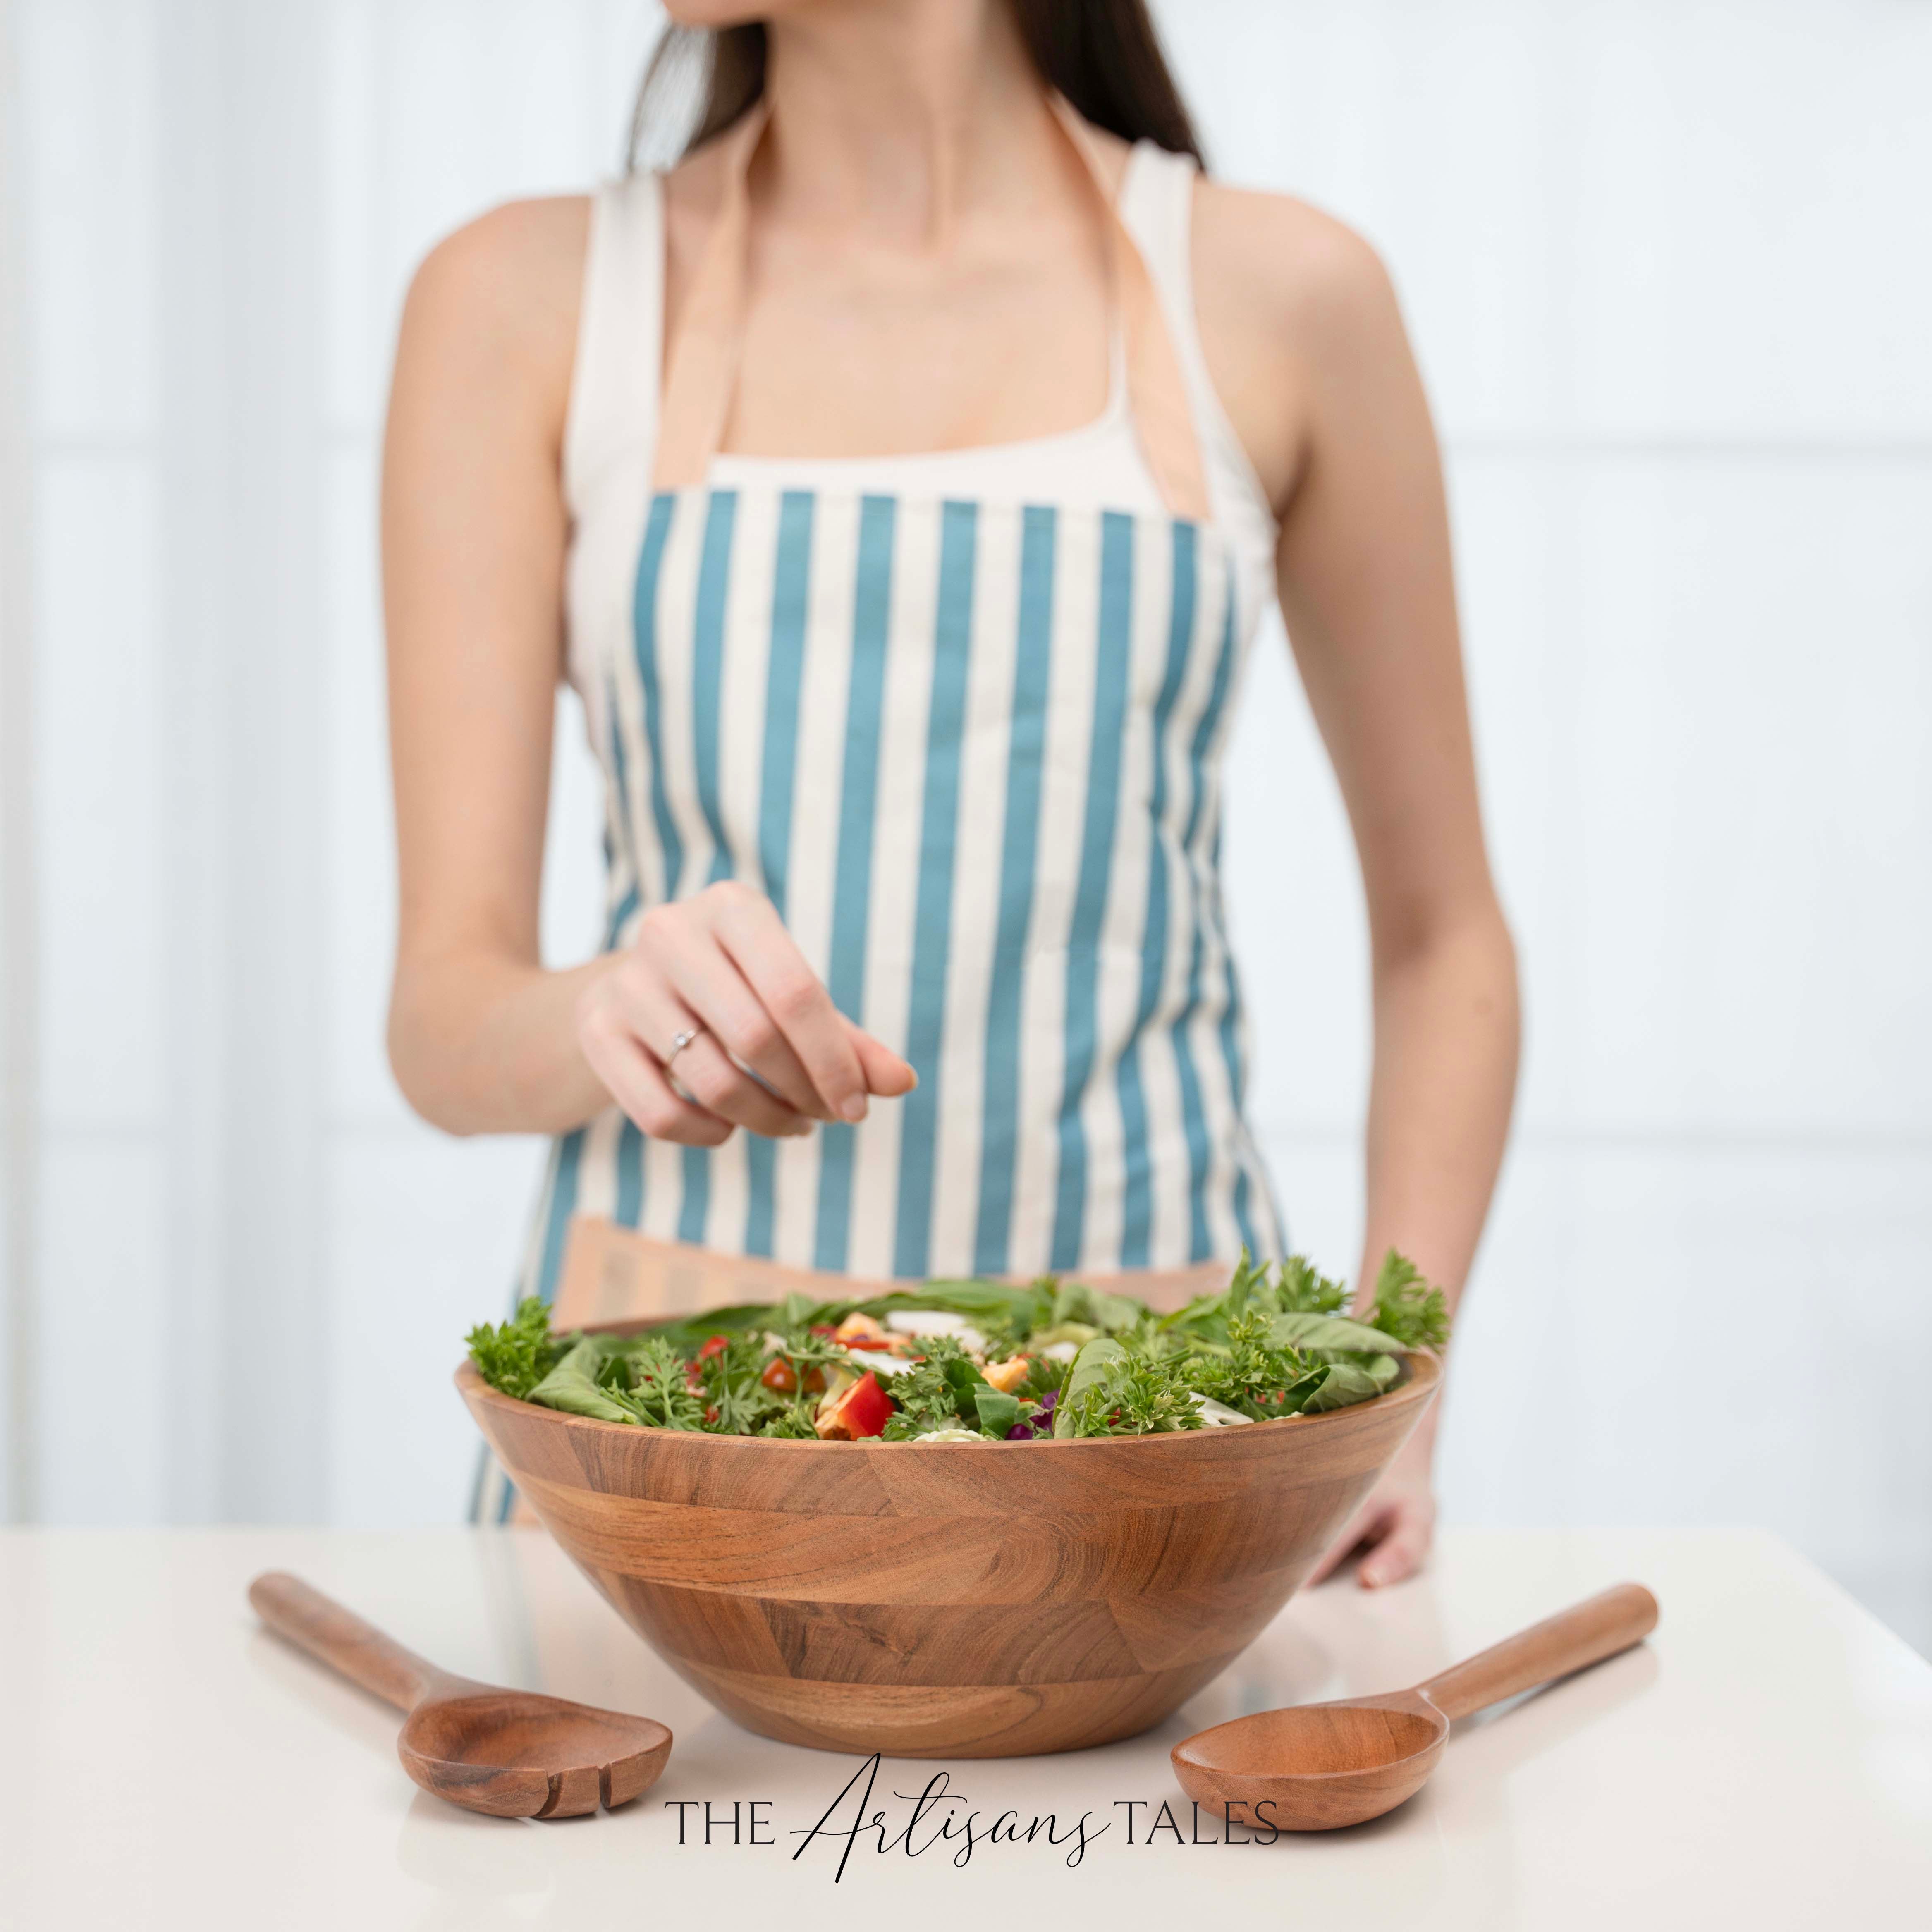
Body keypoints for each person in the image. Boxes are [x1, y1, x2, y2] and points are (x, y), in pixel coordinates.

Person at [381, 0, 1519, 1584]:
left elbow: (1446, 939)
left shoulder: (1283, 296)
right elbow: (443, 1020)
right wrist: (606, 1010)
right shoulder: (521, 300)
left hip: (1161, 1453)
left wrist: (1395, 1391)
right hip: (669, 1464)